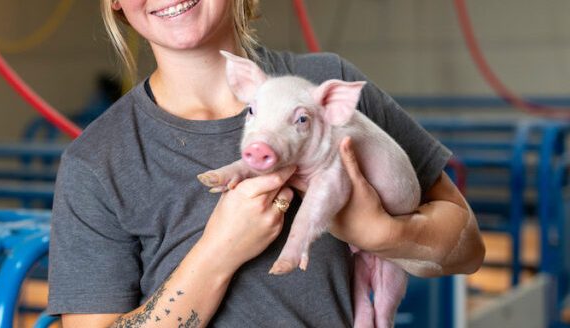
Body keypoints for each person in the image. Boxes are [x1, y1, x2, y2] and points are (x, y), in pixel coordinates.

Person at [45, 0, 486, 327]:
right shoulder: (95, 162)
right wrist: (220, 251)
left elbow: (467, 248)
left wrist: (383, 233)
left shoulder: (329, 87)